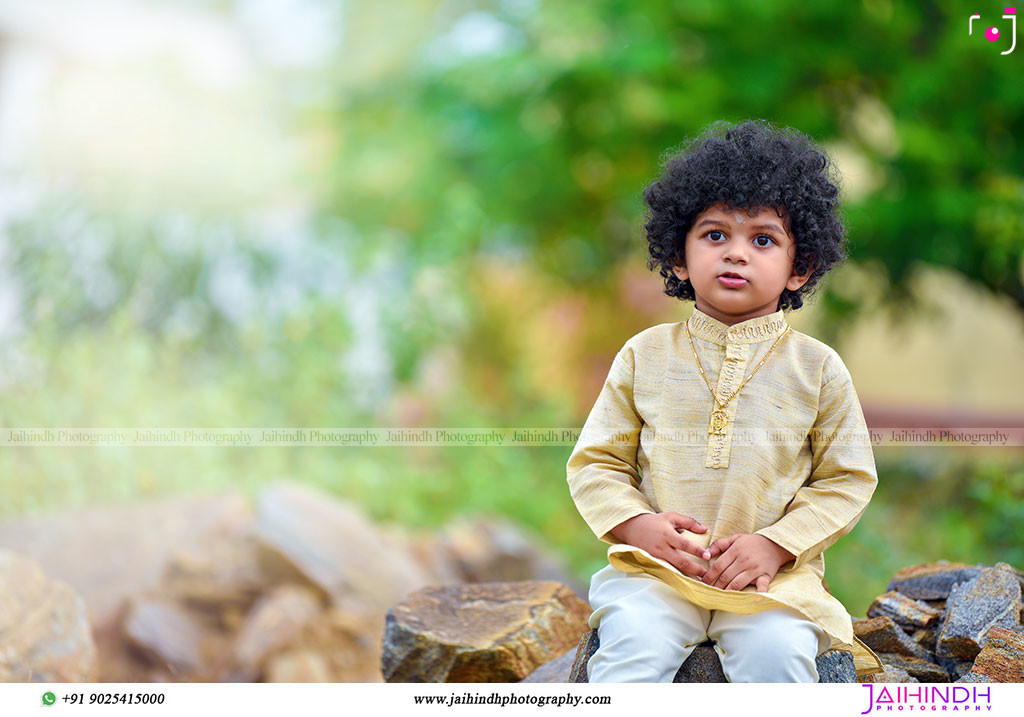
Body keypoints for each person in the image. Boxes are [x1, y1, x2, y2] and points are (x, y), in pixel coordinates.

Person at [566, 119, 884, 683]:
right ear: (680, 258)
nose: (736, 254)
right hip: (656, 577)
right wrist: (637, 528)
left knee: (780, 660)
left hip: (770, 585)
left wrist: (775, 546)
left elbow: (847, 478)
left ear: (800, 267)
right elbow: (597, 463)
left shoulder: (817, 369)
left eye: (763, 240)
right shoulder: (645, 354)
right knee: (627, 657)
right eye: (715, 236)